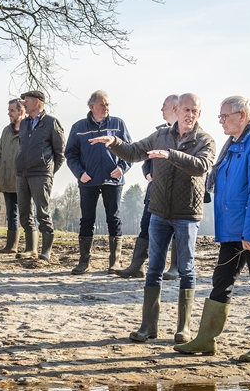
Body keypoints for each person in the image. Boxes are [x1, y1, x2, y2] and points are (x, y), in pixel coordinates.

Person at [91, 93, 215, 344]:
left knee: (187, 271)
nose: (190, 115)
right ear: (177, 110)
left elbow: (201, 166)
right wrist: (114, 141)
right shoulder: (160, 135)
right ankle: (148, 326)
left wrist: (171, 155)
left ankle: (184, 329)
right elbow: (134, 151)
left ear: (199, 114)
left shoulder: (205, 140)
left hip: (187, 215)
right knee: (153, 269)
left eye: (195, 111)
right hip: (158, 212)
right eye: (186, 110)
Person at [176, 96, 250, 363]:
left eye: (225, 116)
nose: (221, 121)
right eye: (220, 117)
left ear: (242, 116)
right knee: (221, 280)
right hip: (234, 229)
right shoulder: (234, 144)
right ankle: (206, 338)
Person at [65, 90, 131, 275]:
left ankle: (115, 262)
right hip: (88, 181)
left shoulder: (118, 124)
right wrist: (80, 173)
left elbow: (129, 150)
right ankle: (84, 261)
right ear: (91, 106)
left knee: (114, 218)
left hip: (113, 180)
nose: (106, 108)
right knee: (87, 219)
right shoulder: (78, 127)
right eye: (102, 104)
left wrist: (123, 168)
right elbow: (70, 154)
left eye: (108, 104)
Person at [117, 94, 177, 278]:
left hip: (175, 192)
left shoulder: (187, 134)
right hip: (154, 189)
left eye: (164, 106)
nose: (161, 110)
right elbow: (146, 158)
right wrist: (147, 173)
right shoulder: (158, 133)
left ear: (175, 108)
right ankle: (137, 265)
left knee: (175, 228)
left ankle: (175, 267)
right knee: (146, 225)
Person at [15, 89, 65, 261]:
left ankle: (46, 251)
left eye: (26, 101)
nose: (23, 104)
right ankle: (31, 249)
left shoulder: (52, 123)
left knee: (42, 212)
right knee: (24, 212)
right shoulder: (23, 124)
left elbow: (60, 152)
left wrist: (49, 171)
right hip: (23, 173)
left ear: (36, 102)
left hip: (41, 174)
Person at [0, 98, 25, 253]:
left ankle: (31, 247)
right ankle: (11, 246)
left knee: (27, 214)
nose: (9, 113)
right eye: (9, 110)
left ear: (21, 111)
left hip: (23, 180)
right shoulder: (6, 130)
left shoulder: (29, 130)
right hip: (6, 179)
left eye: (12, 110)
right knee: (10, 214)